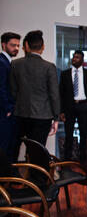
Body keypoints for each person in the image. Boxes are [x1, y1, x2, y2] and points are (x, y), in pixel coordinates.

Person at [10, 30, 59, 160]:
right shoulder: (49, 67)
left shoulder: (15, 64)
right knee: (37, 151)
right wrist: (56, 118)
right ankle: (37, 178)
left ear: (26, 46)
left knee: (15, 148)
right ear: (42, 48)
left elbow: (13, 91)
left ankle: (13, 177)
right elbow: (54, 95)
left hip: (20, 114)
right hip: (42, 117)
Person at [59, 50, 87, 161]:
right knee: (68, 135)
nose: (74, 59)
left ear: (82, 60)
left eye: (77, 57)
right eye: (73, 57)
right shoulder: (65, 74)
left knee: (83, 135)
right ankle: (67, 160)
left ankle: (83, 160)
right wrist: (61, 111)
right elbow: (61, 93)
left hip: (84, 106)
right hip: (69, 107)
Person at [0, 32, 20, 162]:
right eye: (13, 45)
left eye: (18, 45)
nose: (16, 48)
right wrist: (8, 109)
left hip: (7, 112)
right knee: (4, 147)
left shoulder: (8, 61)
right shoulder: (2, 62)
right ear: (3, 45)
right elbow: (1, 88)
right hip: (4, 113)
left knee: (9, 147)